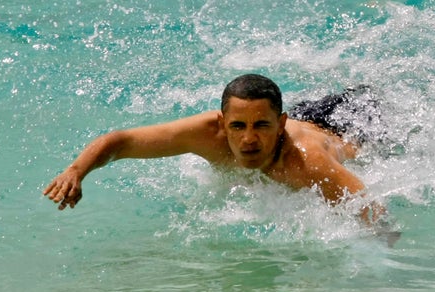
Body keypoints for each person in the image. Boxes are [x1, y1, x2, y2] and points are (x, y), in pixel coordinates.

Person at [44, 74, 398, 238]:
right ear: (221, 123)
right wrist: (76, 171)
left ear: (279, 124)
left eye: (261, 126)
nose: (248, 139)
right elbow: (119, 141)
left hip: (355, 127)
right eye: (237, 126)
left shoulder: (307, 163)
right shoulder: (205, 134)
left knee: (374, 106)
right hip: (304, 113)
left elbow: (377, 218)